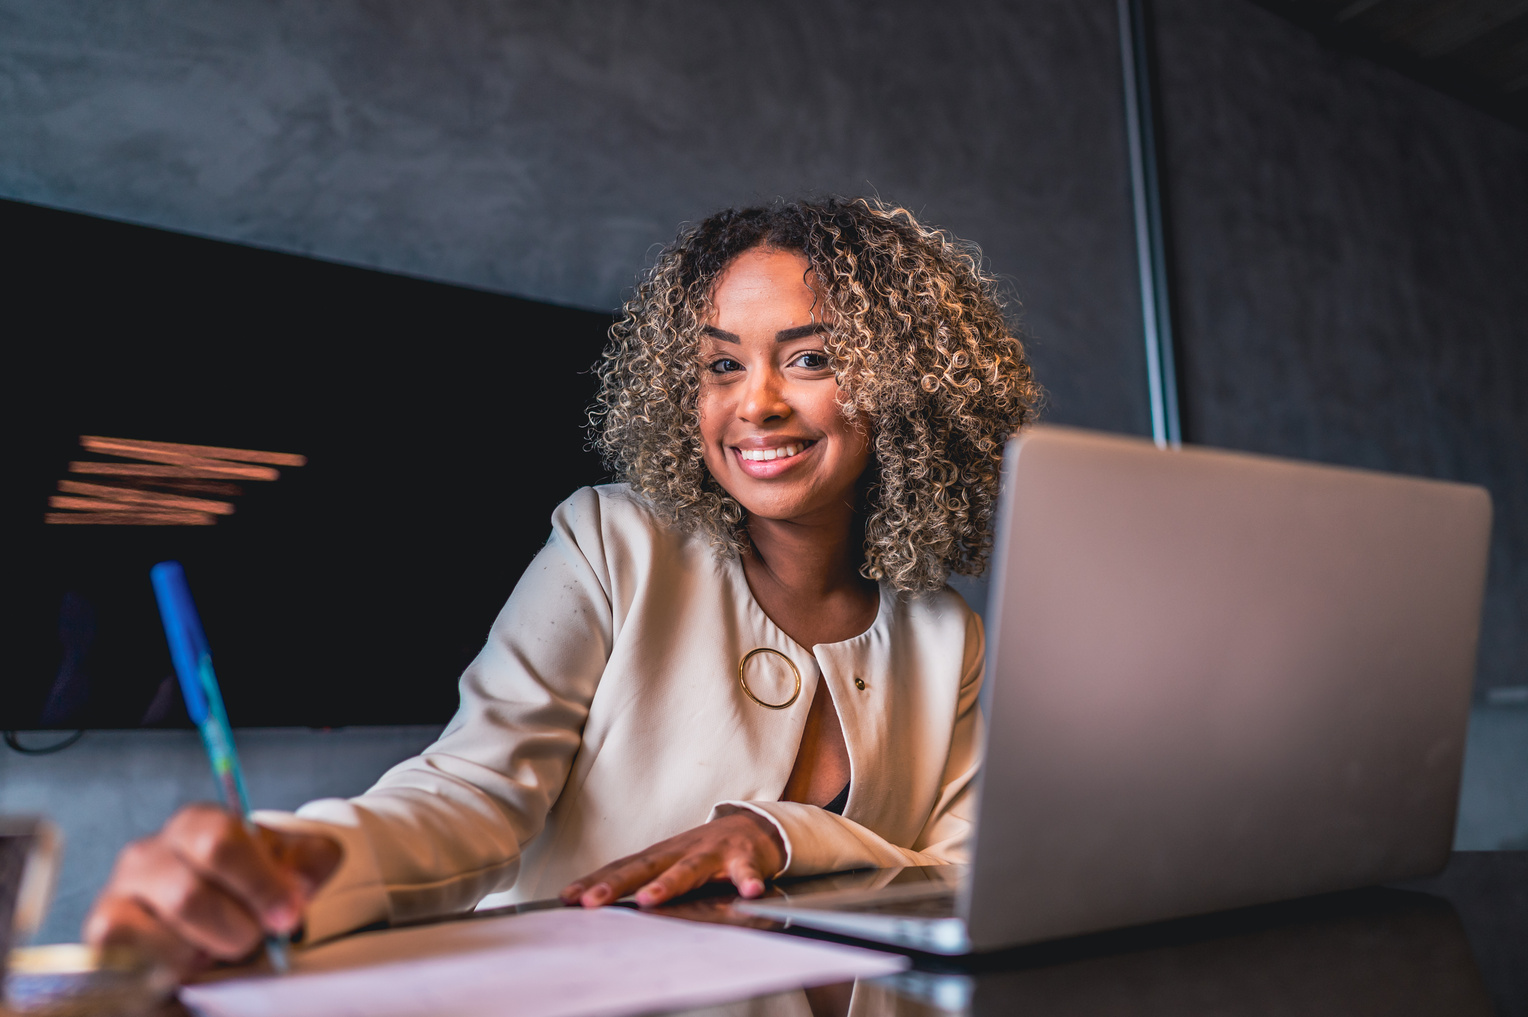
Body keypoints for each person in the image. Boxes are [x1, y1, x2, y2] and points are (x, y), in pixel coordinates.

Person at [84, 197, 1039, 976]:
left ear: (911, 386)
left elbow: (961, 874)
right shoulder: (614, 539)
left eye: (812, 357)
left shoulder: (941, 631)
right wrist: (312, 855)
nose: (756, 401)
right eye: (719, 363)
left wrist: (779, 836)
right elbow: (474, 788)